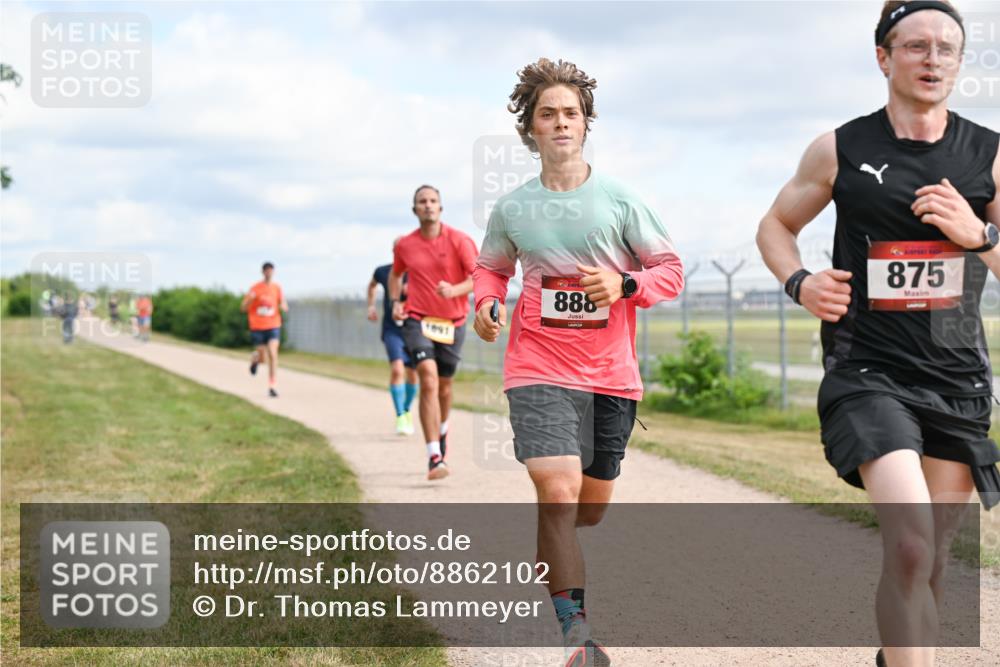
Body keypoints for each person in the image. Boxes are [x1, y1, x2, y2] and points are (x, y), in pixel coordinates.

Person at [755, 3, 999, 665]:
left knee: (937, 556)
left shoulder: (988, 154)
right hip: (868, 372)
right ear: (883, 56)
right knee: (912, 543)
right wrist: (799, 281)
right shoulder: (842, 147)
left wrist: (979, 234)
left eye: (947, 48)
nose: (932, 58)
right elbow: (775, 227)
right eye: (916, 45)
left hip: (955, 377)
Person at [472, 57, 684, 667]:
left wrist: (624, 286)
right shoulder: (513, 207)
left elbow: (670, 271)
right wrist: (486, 303)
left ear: (585, 123)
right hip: (537, 364)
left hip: (609, 375)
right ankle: (576, 638)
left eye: (571, 113)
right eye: (548, 114)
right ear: (530, 129)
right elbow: (491, 267)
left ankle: (557, 542)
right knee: (558, 490)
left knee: (586, 507)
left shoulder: (619, 200)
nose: (560, 123)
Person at [389, 185, 478, 480]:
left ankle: (442, 432)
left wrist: (454, 290)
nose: (427, 206)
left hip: (453, 322)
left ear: (441, 207)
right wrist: (394, 304)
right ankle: (434, 456)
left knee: (444, 387)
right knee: (427, 377)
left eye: (432, 201)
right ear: (414, 210)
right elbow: (395, 274)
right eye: (421, 202)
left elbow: (479, 277)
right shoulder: (405, 245)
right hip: (418, 319)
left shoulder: (459, 240)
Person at [368, 246, 418, 435]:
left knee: (413, 375)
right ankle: (400, 417)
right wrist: (371, 306)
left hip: (414, 330)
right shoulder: (383, 271)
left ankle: (405, 409)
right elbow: (371, 285)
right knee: (397, 369)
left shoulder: (417, 272)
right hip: (392, 330)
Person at [241, 262, 289, 398]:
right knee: (263, 358)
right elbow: (243, 308)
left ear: (273, 272)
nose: (269, 273)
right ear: (263, 272)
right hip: (258, 326)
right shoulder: (255, 288)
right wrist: (250, 300)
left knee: (273, 353)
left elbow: (282, 301)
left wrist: (284, 306)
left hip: (273, 325)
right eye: (266, 271)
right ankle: (255, 359)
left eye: (271, 271)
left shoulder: (277, 288)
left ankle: (272, 386)